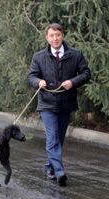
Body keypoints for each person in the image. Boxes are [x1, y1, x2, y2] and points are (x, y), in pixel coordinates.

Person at [28, 23, 91, 187]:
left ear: (62, 36)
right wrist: (38, 82)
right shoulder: (39, 57)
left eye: (58, 35)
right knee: (52, 136)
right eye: (51, 36)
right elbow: (32, 76)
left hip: (66, 103)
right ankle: (59, 171)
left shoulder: (75, 55)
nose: (55, 38)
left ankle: (49, 167)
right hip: (47, 103)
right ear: (47, 38)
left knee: (59, 138)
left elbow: (86, 73)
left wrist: (73, 81)